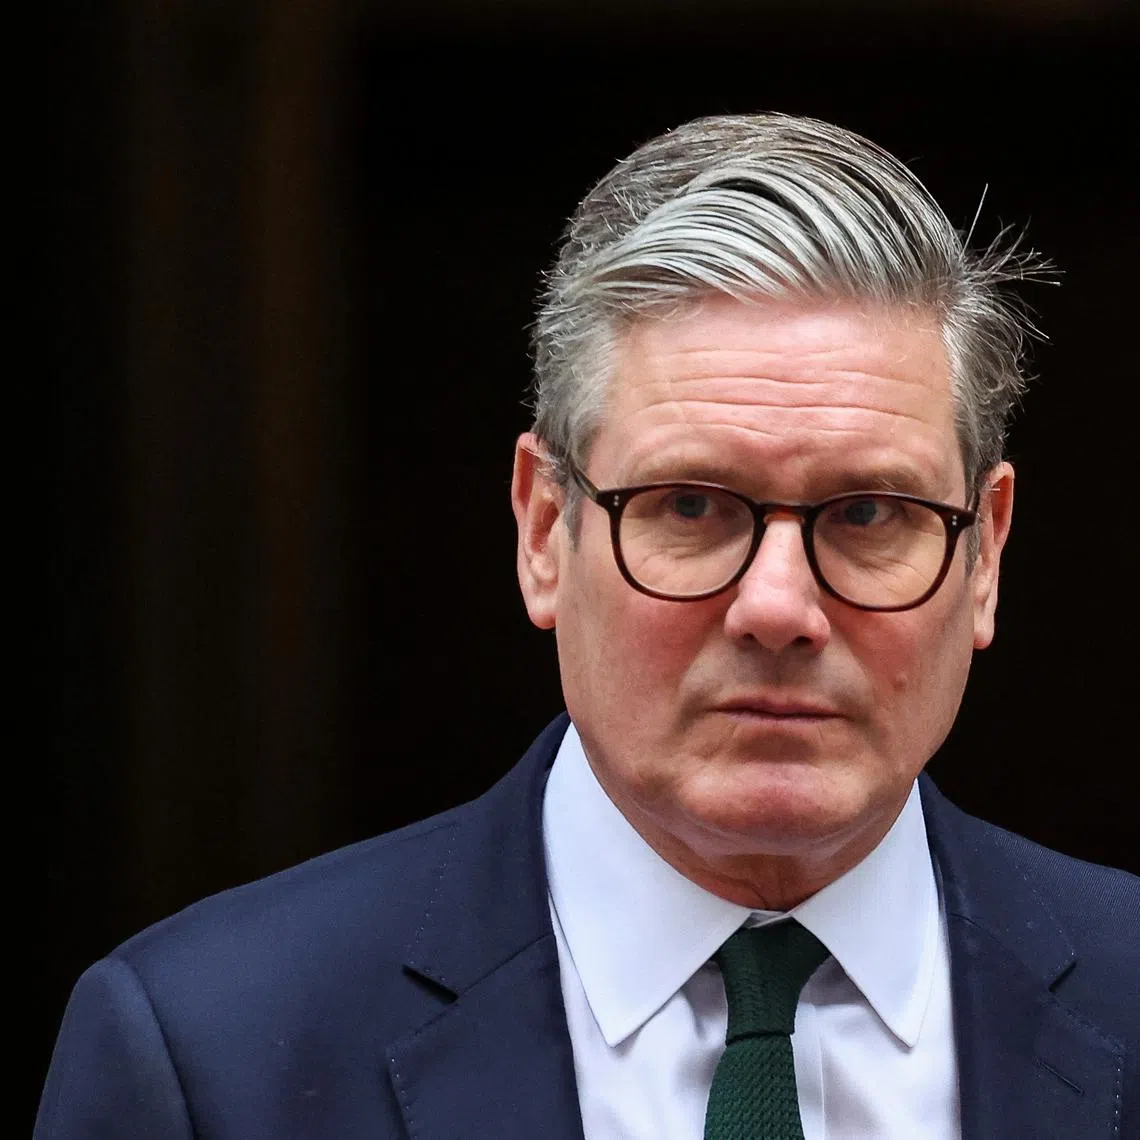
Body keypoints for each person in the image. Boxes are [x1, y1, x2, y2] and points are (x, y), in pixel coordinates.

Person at [36, 113, 1138, 1139]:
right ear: (542, 527)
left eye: (869, 514)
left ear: (984, 553)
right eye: (691, 508)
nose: (778, 608)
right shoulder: (208, 1057)